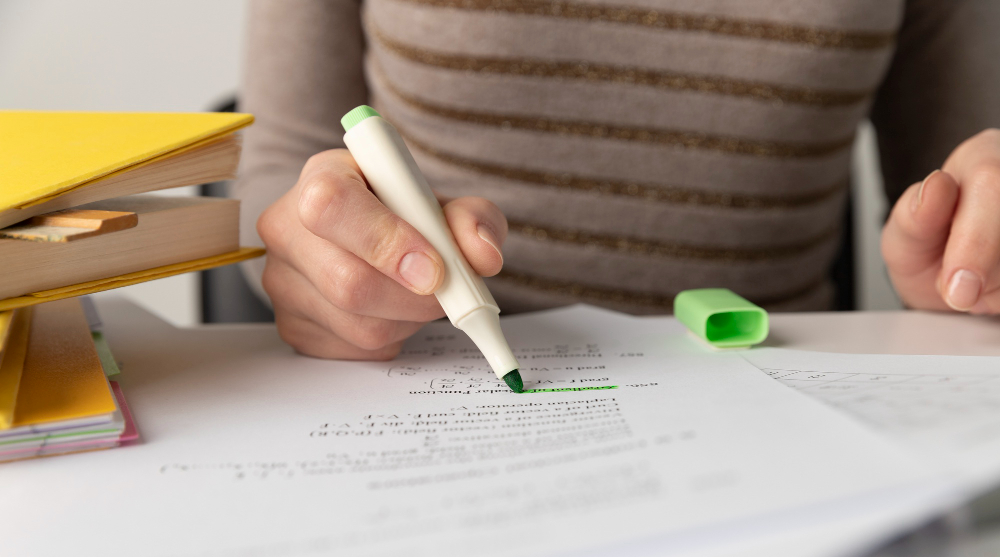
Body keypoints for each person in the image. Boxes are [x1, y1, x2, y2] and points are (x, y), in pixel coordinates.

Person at [235, 0, 1000, 360]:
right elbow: (275, 159)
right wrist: (321, 247)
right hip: (432, 374)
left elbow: (963, 167)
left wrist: (973, 243)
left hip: (773, 381)